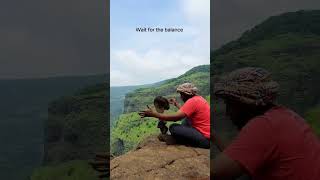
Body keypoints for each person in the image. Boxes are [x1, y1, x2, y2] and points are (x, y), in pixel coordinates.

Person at [212, 67, 320, 180]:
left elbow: (217, 172)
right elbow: (240, 158)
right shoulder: (285, 116)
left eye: (230, 105)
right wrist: (214, 136)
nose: (227, 113)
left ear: (244, 103)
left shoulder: (264, 125)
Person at [139, 83, 210, 149]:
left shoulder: (192, 101)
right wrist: (176, 104)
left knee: (173, 127)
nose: (181, 97)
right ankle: (181, 138)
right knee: (186, 120)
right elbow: (186, 112)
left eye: (181, 94)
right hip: (207, 136)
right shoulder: (198, 98)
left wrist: (154, 114)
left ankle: (179, 140)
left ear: (185, 94)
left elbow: (176, 118)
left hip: (205, 140)